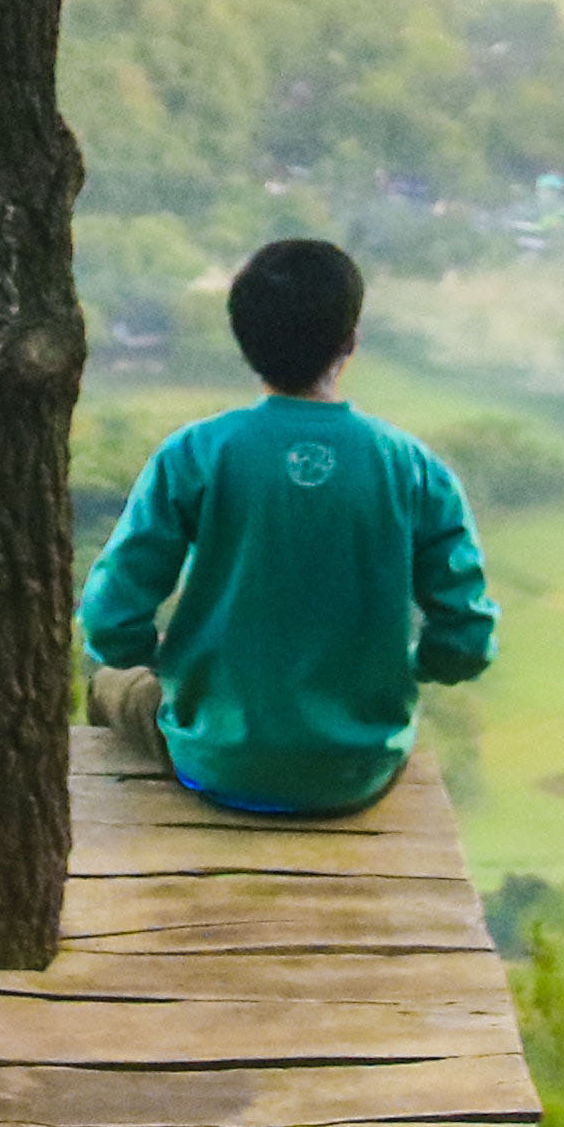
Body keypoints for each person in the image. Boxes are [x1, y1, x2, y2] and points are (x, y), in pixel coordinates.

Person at [78, 235, 497, 818]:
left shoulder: (195, 454)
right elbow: (466, 643)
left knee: (108, 686)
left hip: (213, 760)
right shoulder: (415, 470)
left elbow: (109, 619)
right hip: (359, 771)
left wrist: (167, 661)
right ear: (350, 342)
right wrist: (403, 665)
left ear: (245, 342)